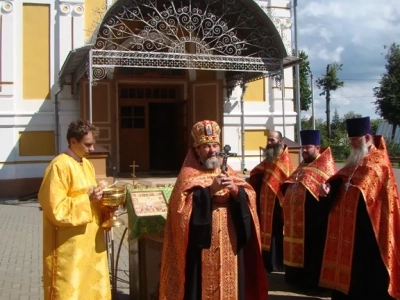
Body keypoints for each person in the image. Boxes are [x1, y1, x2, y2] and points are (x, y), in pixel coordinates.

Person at [159, 120, 268, 300]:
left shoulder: (229, 172)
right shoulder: (188, 175)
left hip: (230, 240)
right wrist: (209, 191)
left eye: (215, 145)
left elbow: (248, 196)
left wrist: (235, 190)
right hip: (202, 244)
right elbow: (180, 211)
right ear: (197, 150)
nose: (212, 150)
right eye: (206, 146)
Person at [319, 117, 400, 300]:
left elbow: (377, 197)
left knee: (366, 269)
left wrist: (357, 191)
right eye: (351, 141)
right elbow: (341, 181)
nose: (353, 144)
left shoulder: (380, 164)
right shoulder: (353, 162)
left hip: (369, 228)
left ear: (368, 138)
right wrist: (328, 190)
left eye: (356, 140)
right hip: (347, 227)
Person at [38, 120, 111, 300]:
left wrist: (105, 202)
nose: (92, 149)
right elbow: (54, 208)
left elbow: (92, 198)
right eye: (88, 144)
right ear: (73, 141)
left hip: (91, 241)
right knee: (70, 289)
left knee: (92, 287)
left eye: (92, 144)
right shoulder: (59, 166)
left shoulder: (87, 164)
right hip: (69, 245)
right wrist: (86, 198)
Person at [280, 130, 336, 290]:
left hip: (314, 221)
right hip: (297, 221)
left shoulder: (326, 169)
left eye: (308, 147)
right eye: (302, 147)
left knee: (312, 252)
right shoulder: (303, 166)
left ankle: (311, 283)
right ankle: (295, 279)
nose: (304, 151)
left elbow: (329, 195)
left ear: (318, 147)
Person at [249, 131, 293, 272]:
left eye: (272, 140)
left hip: (277, 203)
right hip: (264, 202)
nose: (269, 143)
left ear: (280, 141)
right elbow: (257, 171)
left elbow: (286, 182)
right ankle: (266, 261)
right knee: (264, 230)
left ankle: (276, 263)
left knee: (275, 232)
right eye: (268, 140)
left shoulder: (285, 161)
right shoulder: (270, 158)